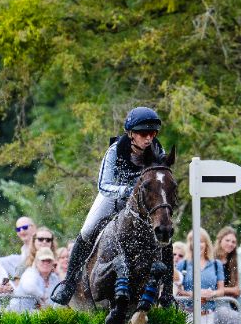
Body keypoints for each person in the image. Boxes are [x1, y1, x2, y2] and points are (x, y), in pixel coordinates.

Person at [52, 105, 168, 306]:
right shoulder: (115, 150)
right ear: (131, 134)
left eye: (152, 133)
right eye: (143, 133)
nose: (148, 138)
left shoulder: (158, 150)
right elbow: (103, 185)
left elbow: (161, 177)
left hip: (143, 202)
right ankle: (68, 284)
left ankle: (167, 294)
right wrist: (126, 191)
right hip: (113, 196)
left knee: (165, 235)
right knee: (88, 230)